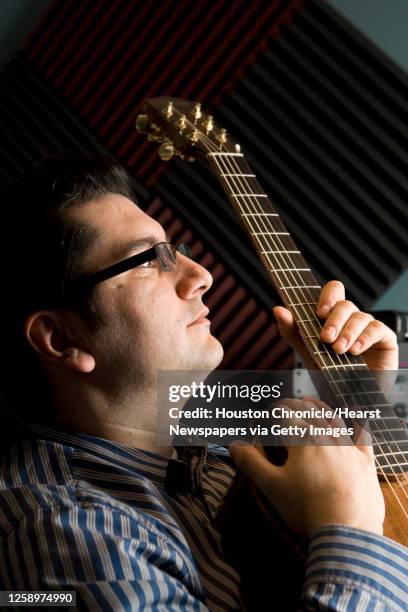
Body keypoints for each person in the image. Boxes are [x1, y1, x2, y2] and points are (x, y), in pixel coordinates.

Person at [0, 152, 406, 611]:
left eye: (175, 251)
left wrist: (361, 405)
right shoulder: (70, 532)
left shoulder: (212, 453)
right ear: (60, 338)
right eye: (146, 261)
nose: (202, 276)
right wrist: (348, 527)